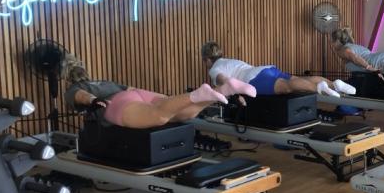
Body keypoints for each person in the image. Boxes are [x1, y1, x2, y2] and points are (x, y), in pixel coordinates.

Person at [62, 55, 254, 129]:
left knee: (159, 115)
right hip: (136, 92)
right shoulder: (104, 81)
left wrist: (94, 100)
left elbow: (80, 96)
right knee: (177, 114)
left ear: (67, 77)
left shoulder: (74, 88)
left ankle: (198, 94)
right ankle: (223, 89)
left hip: (115, 103)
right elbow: (130, 90)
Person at [200, 42, 356, 98]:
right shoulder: (230, 61)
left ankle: (319, 88)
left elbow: (227, 82)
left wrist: (233, 96)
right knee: (294, 80)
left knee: (287, 87)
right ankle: (334, 84)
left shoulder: (214, 68)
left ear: (207, 59)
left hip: (253, 79)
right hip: (265, 69)